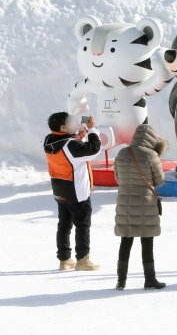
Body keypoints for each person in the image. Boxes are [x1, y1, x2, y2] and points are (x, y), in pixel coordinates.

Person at [44, 112, 102, 271]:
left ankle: (64, 259)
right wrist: (92, 130)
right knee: (82, 224)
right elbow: (93, 149)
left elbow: (69, 148)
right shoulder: (70, 144)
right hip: (77, 191)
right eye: (70, 122)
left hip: (60, 189)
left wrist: (78, 136)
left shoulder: (50, 140)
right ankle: (83, 260)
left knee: (64, 224)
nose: (75, 123)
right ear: (63, 127)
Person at [113, 124, 168, 290]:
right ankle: (150, 279)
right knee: (147, 242)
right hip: (146, 204)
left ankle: (121, 281)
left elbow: (118, 178)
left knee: (126, 241)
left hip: (125, 203)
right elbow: (159, 181)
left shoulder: (122, 153)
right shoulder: (151, 155)